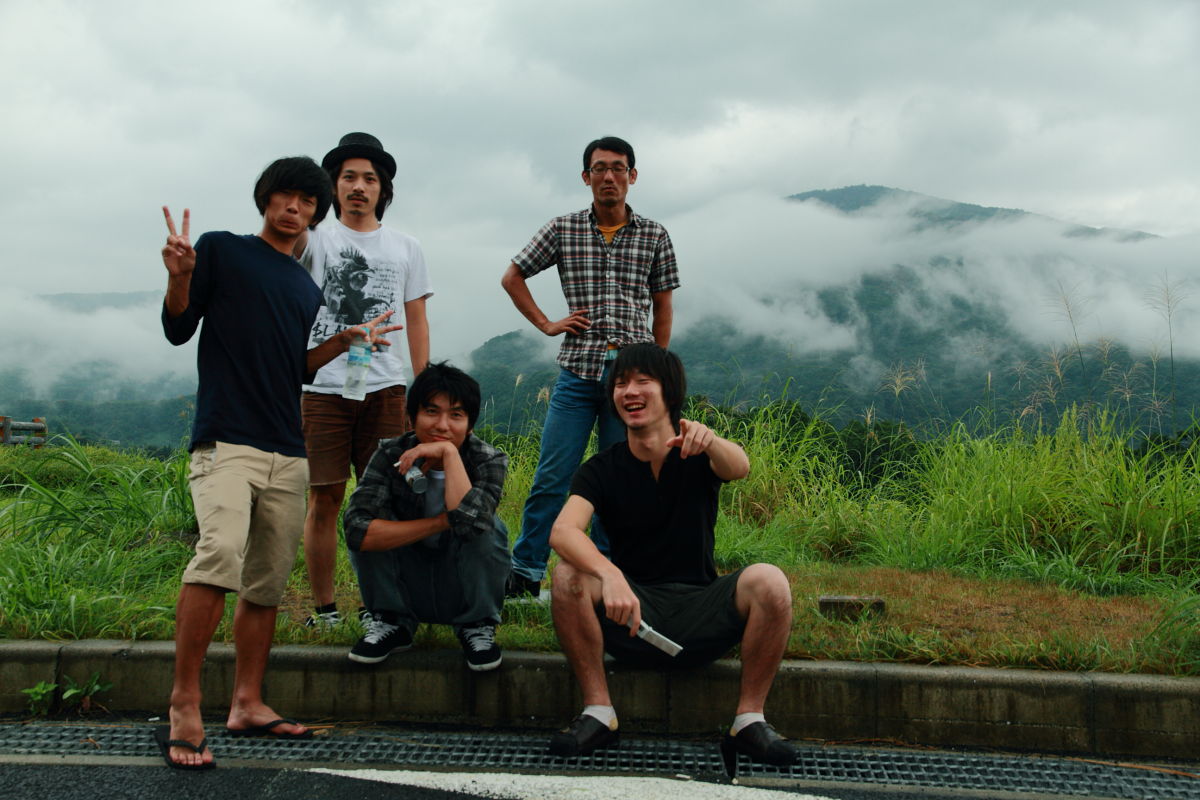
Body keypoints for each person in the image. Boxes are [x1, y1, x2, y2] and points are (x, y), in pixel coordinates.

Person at [156, 156, 400, 770]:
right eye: (285, 196)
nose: (294, 208)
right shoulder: (222, 249)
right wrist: (179, 278)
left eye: (306, 201)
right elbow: (179, 328)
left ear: (315, 213)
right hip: (227, 440)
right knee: (218, 555)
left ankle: (247, 702)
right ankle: (184, 703)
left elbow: (296, 367)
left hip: (288, 450)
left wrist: (343, 342)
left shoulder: (305, 287)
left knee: (266, 580)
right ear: (265, 199)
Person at [546, 344, 799, 766]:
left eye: (643, 381)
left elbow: (739, 467)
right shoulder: (601, 469)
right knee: (568, 575)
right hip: (633, 617)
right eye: (621, 383)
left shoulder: (698, 455)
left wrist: (710, 440)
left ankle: (749, 720)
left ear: (670, 392)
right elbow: (563, 530)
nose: (630, 391)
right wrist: (610, 574)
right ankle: (599, 713)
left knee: (769, 580)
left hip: (701, 609)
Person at [501, 135, 678, 599]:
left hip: (632, 381)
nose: (609, 176)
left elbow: (663, 306)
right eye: (600, 168)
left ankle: (605, 573)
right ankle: (525, 572)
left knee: (621, 478)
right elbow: (512, 276)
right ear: (586, 177)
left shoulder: (655, 235)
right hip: (577, 373)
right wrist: (547, 324)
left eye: (618, 168)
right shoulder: (563, 229)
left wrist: (657, 372)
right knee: (552, 476)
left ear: (632, 176)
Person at [294, 132, 433, 628]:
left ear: (382, 189)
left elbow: (416, 319)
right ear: (333, 186)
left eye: (369, 179)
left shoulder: (406, 247)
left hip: (385, 387)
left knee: (384, 501)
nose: (358, 187)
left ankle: (383, 606)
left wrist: (422, 387)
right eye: (348, 177)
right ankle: (326, 609)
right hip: (323, 388)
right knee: (325, 498)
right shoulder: (314, 240)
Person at [342, 363, 510, 671]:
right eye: (431, 412)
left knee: (491, 529)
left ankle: (476, 625)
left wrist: (449, 454)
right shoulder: (390, 455)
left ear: (470, 426)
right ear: (411, 417)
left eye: (456, 415)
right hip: (406, 578)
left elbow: (471, 527)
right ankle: (392, 622)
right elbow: (357, 530)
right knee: (373, 524)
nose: (442, 425)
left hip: (459, 580)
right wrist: (442, 522)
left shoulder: (489, 460)